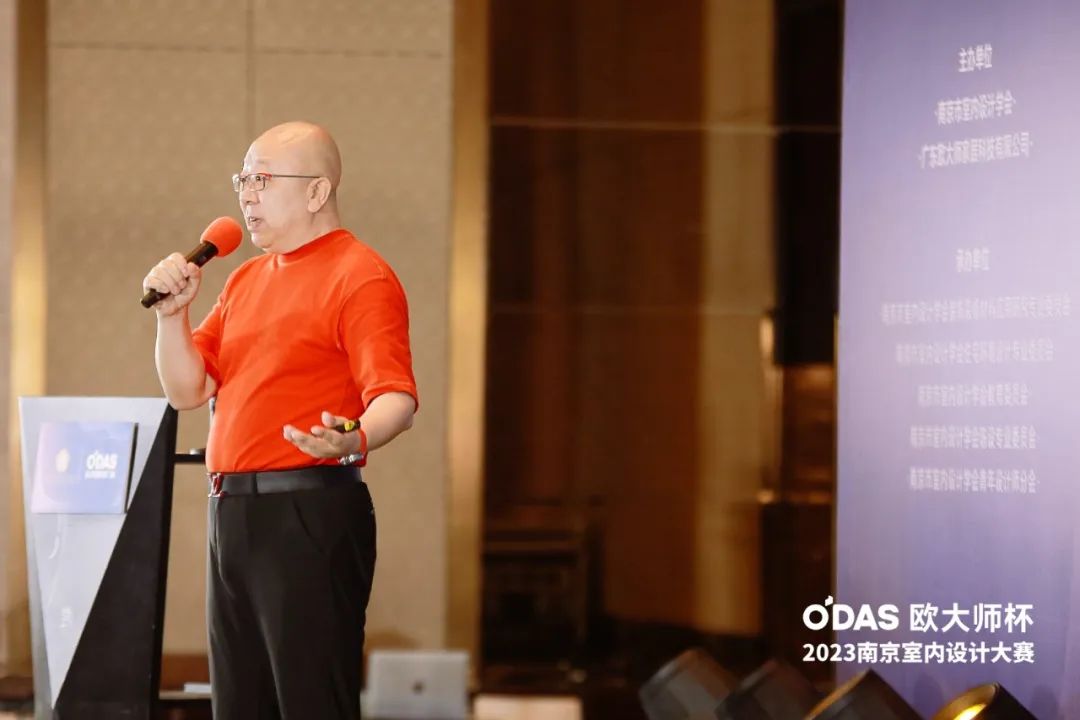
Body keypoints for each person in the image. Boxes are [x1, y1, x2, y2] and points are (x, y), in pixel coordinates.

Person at [142, 121, 418, 719]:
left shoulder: (360, 275)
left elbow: (396, 399)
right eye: (242, 180)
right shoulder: (245, 279)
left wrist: (353, 438)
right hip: (231, 514)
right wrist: (171, 318)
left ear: (317, 192)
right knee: (239, 705)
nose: (247, 196)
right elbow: (187, 390)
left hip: (307, 512)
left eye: (262, 180)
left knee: (309, 702)